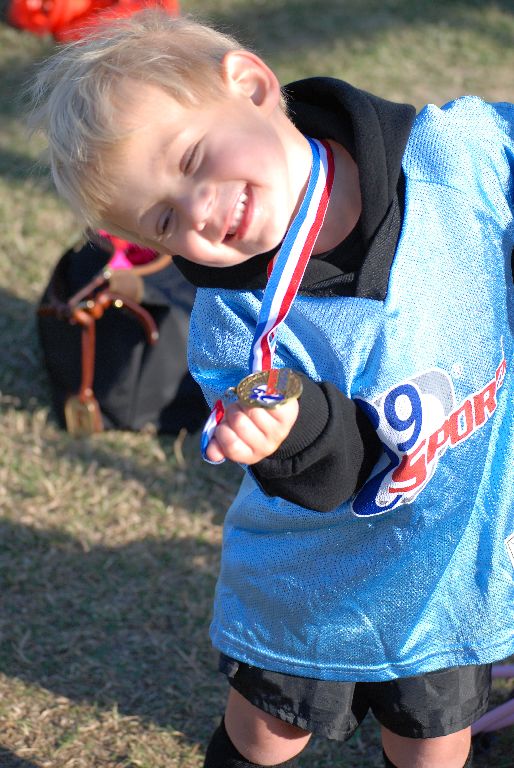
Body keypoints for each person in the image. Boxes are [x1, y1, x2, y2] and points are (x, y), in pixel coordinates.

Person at [28, 10, 514, 768]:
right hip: (313, 575)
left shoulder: (455, 156)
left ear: (252, 86)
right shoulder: (238, 321)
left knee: (434, 741)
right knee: (267, 732)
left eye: (193, 159)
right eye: (165, 219)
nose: (198, 210)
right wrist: (291, 432)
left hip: (452, 565)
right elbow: (328, 475)